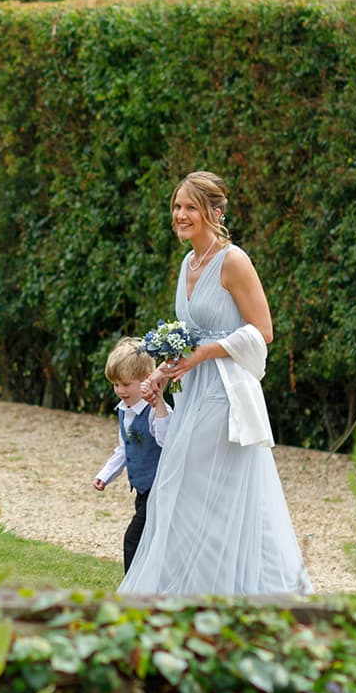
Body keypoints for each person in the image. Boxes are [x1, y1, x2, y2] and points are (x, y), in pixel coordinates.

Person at [120, 172, 309, 598]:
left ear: (215, 212)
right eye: (177, 206)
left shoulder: (233, 261)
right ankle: (199, 591)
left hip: (225, 395)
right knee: (186, 494)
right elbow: (186, 338)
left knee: (185, 489)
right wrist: (160, 373)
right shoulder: (188, 263)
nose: (180, 215)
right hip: (191, 394)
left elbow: (263, 330)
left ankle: (218, 591)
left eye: (190, 207)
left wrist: (204, 354)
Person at [94, 338, 169, 573]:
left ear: (148, 378)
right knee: (148, 541)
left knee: (133, 538)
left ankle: (131, 588)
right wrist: (105, 475)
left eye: (126, 384)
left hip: (160, 489)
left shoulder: (155, 411)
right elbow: (123, 449)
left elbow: (167, 440)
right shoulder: (123, 411)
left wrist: (159, 406)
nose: (120, 390)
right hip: (142, 490)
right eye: (115, 384)